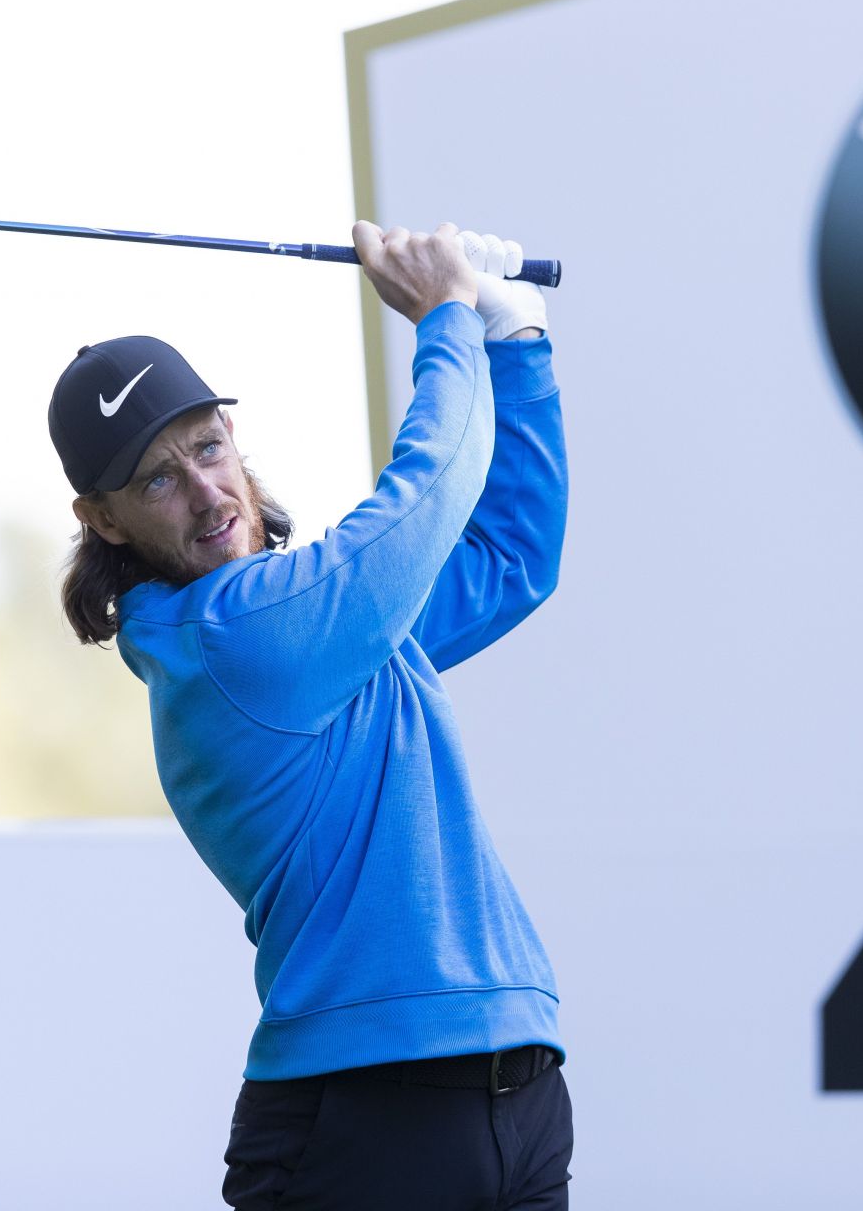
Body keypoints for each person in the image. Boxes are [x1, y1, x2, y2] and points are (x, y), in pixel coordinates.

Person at [47, 221, 570, 1209]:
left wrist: (518, 343)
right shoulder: (235, 637)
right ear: (105, 520)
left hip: (518, 1094)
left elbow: (511, 555)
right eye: (158, 477)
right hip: (358, 1122)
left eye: (207, 446)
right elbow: (425, 499)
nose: (207, 492)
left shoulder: (329, 623)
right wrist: (447, 319)